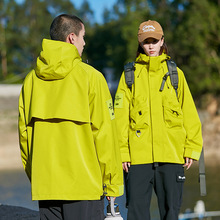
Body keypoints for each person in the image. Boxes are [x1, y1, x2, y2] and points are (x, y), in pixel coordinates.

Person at [18, 14, 124, 220]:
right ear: (71, 38)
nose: (85, 43)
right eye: (83, 37)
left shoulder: (31, 81)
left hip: (47, 186)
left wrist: (38, 177)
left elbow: (25, 138)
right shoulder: (92, 77)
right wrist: (112, 186)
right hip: (84, 188)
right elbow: (105, 136)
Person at [114, 20, 203, 220]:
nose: (151, 45)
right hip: (137, 160)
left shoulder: (176, 75)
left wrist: (191, 148)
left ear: (163, 40)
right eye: (147, 42)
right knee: (136, 214)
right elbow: (119, 119)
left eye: (155, 40)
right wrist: (122, 151)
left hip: (171, 156)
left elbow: (189, 114)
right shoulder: (129, 75)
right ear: (140, 44)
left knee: (171, 214)